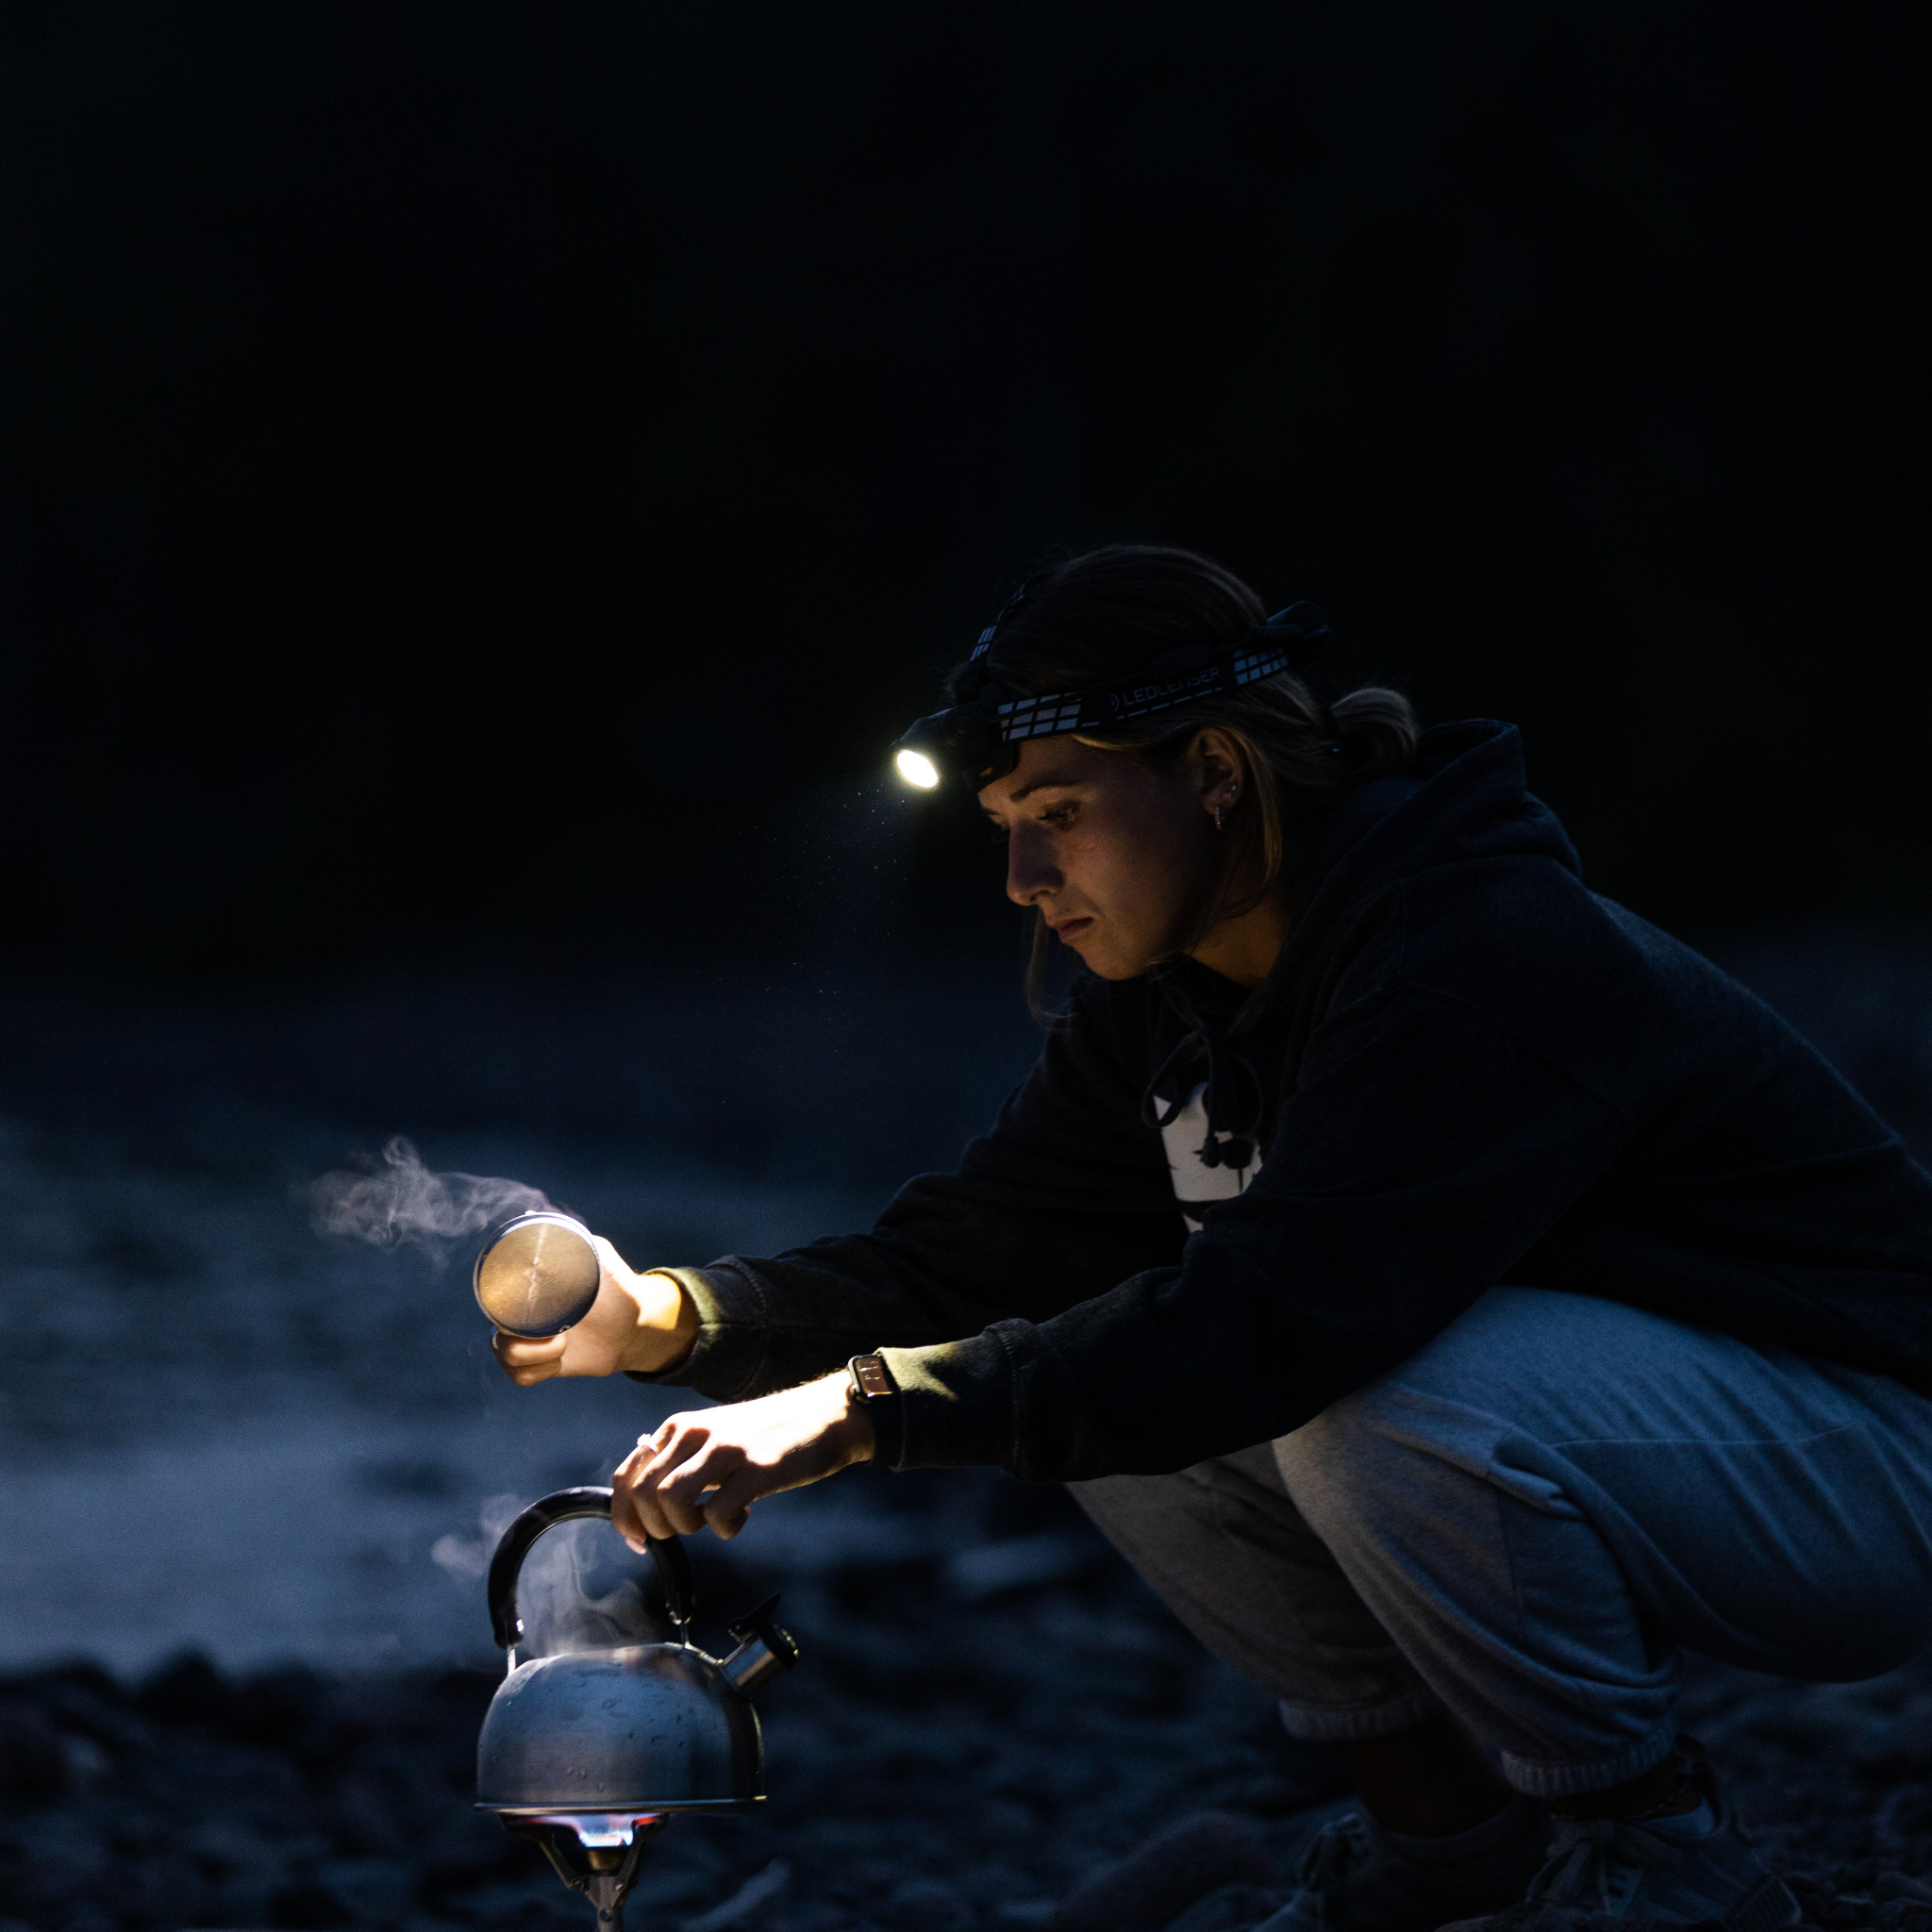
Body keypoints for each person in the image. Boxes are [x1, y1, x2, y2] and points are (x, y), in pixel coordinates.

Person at [492, 545, 1932, 1932]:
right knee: (1109, 1379)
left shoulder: (1470, 950)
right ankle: (1454, 1851)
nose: (1023, 876)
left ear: (1218, 771)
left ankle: (1664, 1856)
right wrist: (669, 1317)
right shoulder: (1173, 999)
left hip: (1868, 1456)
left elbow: (1286, 1318)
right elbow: (977, 1261)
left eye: (1060, 811)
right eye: (1004, 825)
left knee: (1335, 1392)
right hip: (1675, 1449)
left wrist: (861, 1410)